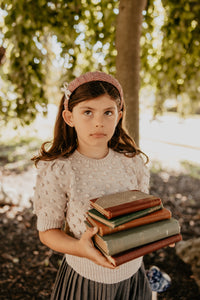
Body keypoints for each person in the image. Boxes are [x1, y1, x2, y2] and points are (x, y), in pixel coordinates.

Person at [32, 71, 152, 300]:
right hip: (87, 281)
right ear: (69, 118)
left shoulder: (133, 163)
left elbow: (139, 217)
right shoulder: (60, 169)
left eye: (108, 112)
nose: (99, 122)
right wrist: (80, 249)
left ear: (118, 117)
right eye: (87, 112)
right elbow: (48, 232)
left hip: (133, 276)